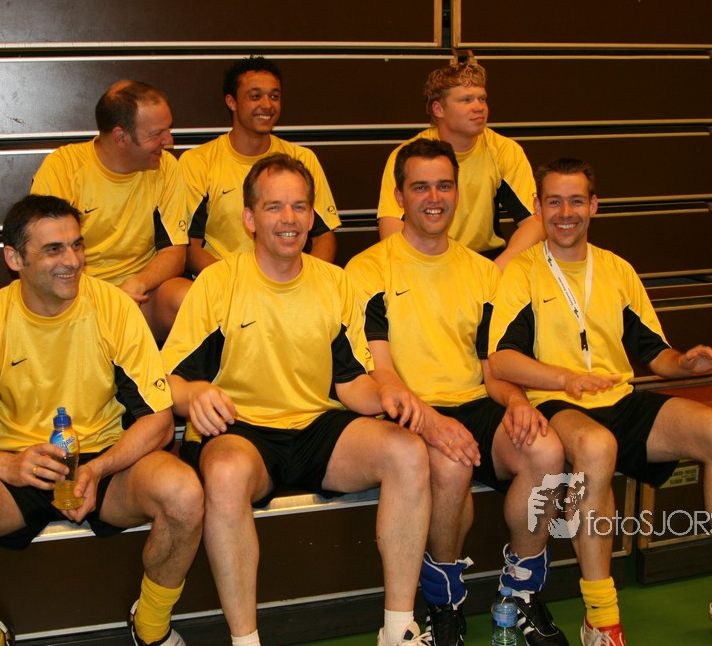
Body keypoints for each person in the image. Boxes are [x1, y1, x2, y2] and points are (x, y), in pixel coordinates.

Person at [488, 158, 712, 646]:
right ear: (538, 208)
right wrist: (566, 378)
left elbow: (655, 354)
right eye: (554, 201)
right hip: (556, 403)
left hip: (619, 398)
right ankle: (601, 618)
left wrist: (685, 363)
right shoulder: (520, 273)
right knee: (597, 446)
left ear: (594, 205)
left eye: (576, 200)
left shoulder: (616, 269)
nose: (566, 212)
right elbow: (502, 359)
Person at [0, 195, 204, 646]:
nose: (72, 261)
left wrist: (96, 469)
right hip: (18, 469)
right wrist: (9, 466)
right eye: (53, 249)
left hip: (104, 466)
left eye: (77, 245)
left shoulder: (114, 308)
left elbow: (160, 422)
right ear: (14, 259)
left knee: (184, 492)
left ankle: (151, 626)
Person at [162, 153, 432, 646]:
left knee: (408, 452)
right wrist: (194, 393)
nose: (289, 219)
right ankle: (245, 640)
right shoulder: (218, 284)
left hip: (316, 428)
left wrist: (388, 393)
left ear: (311, 217)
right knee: (225, 474)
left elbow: (350, 382)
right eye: (274, 207)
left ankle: (400, 630)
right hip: (242, 430)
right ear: (249, 218)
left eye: (300, 207)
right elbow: (169, 384)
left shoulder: (335, 282)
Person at [346, 138, 569, 646]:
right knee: (451, 466)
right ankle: (444, 601)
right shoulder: (368, 269)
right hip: (409, 409)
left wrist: (517, 402)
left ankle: (520, 592)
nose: (434, 198)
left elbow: (493, 368)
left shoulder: (483, 272)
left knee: (547, 451)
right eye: (420, 187)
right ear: (399, 197)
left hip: (476, 403)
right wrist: (431, 422)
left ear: (458, 193)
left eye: (444, 186)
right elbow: (381, 373)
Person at [31, 80, 189, 341]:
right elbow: (47, 255)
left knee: (187, 299)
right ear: (120, 137)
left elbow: (174, 253)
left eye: (168, 129)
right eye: (157, 134)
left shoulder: (167, 168)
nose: (169, 141)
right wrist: (105, 298)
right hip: (76, 295)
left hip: (139, 296)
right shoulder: (64, 167)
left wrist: (136, 284)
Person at [178, 55, 341, 275]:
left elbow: (324, 236)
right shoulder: (198, 162)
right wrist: (237, 284)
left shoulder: (302, 158)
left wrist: (307, 280)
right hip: (226, 282)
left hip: (288, 281)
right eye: (255, 96)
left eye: (274, 96)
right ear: (231, 102)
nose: (267, 105)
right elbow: (189, 247)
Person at [376, 57, 543, 271]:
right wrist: (421, 270)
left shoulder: (505, 151)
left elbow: (534, 222)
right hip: (425, 261)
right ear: (438, 109)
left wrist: (496, 270)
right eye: (466, 100)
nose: (479, 107)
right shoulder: (408, 156)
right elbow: (390, 226)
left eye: (482, 99)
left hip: (486, 261)